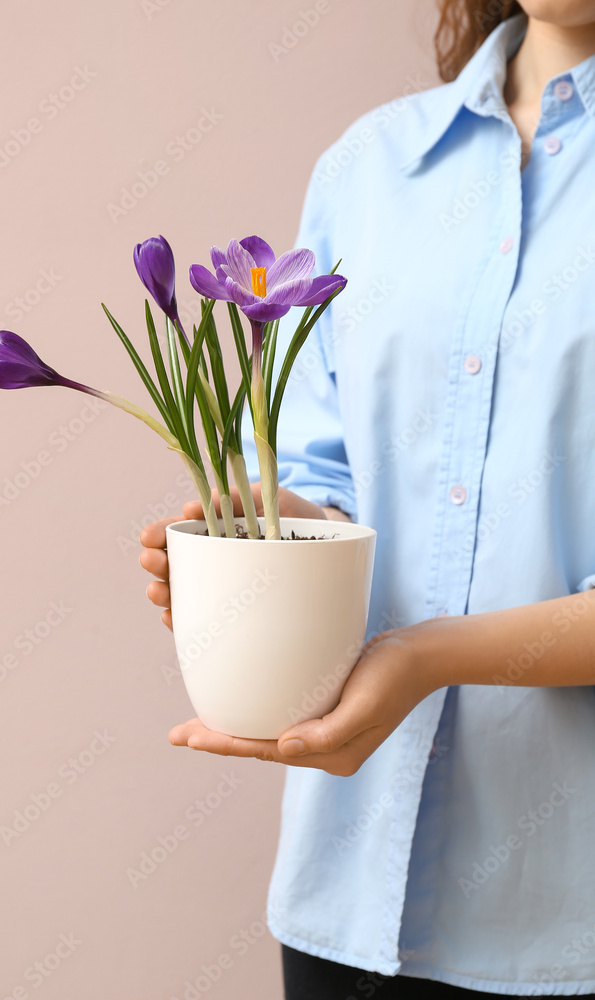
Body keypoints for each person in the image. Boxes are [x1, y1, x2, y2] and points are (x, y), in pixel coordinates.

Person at [140, 1, 595, 996]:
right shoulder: (370, 168)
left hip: (564, 918)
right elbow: (335, 476)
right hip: (347, 896)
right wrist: (261, 535)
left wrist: (422, 658)